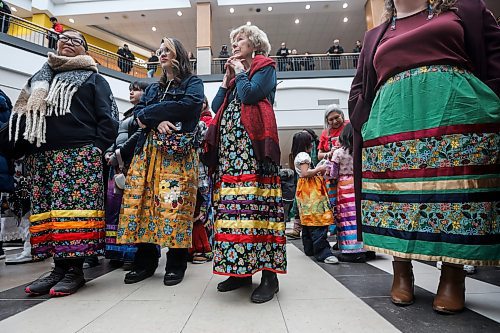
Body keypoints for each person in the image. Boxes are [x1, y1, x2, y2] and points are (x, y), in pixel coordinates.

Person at [349, 0, 500, 314]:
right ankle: (401, 270)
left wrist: (492, 101)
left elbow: (494, 54)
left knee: (455, 196)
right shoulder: (375, 34)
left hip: (454, 116)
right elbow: (361, 85)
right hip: (392, 125)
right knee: (395, 199)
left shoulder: (464, 10)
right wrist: (364, 121)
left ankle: (453, 276)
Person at [7, 29, 118, 296]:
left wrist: (95, 150)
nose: (68, 42)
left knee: (73, 217)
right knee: (51, 217)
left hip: (78, 158)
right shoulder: (40, 79)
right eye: (64, 38)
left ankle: (75, 271)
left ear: (84, 49)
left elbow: (109, 120)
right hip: (43, 158)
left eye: (76, 40)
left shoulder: (93, 79)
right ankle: (58, 269)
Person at [204, 24, 286, 304]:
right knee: (234, 213)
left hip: (254, 155)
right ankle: (239, 272)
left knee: (258, 213)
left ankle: (268, 277)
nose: (235, 45)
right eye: (234, 41)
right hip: (230, 158)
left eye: (240, 40)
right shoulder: (235, 77)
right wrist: (226, 79)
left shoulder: (266, 67)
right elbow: (217, 106)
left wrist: (239, 73)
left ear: (254, 43)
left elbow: (251, 94)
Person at [117, 37, 204, 286]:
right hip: (148, 156)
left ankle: (176, 263)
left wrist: (153, 115)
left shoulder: (192, 82)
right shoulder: (154, 88)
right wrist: (158, 121)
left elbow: (190, 106)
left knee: (173, 206)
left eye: (167, 50)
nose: (162, 53)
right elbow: (138, 114)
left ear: (179, 54)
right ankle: (146, 262)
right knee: (145, 205)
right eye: (160, 50)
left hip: (176, 158)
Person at [104, 80, 149, 268]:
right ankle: (116, 252)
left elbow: (139, 135)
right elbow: (116, 139)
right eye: (131, 90)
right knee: (114, 209)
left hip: (132, 165)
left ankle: (134, 254)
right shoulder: (127, 115)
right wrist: (109, 151)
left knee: (131, 210)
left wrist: (119, 154)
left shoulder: (144, 113)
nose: (131, 93)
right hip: (116, 166)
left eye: (136, 90)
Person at [292, 131, 338, 264]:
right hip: (311, 192)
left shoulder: (298, 156)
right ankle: (323, 252)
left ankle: (310, 248)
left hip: (304, 192)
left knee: (308, 220)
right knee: (317, 220)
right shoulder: (304, 155)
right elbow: (306, 173)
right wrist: (320, 168)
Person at [329, 123, 368, 262]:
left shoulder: (338, 152)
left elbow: (332, 173)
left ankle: (350, 250)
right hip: (359, 185)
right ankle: (365, 248)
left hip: (344, 189)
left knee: (346, 219)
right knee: (360, 218)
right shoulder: (361, 150)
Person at [189, 96, 214, 264]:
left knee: (204, 210)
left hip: (203, 172)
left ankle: (206, 248)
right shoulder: (191, 121)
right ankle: (194, 248)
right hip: (190, 171)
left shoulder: (206, 122)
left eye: (202, 102)